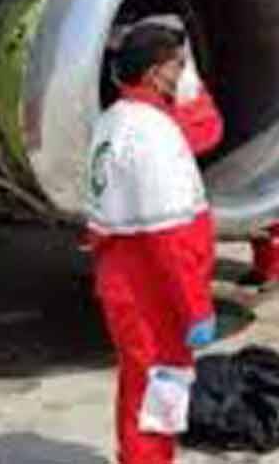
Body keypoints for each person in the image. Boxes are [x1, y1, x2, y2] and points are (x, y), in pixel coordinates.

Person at [83, 24, 218, 464]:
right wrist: (196, 307)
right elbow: (170, 237)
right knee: (159, 397)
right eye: (179, 65)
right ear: (157, 71)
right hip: (154, 292)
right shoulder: (152, 133)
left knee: (139, 384)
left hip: (124, 278)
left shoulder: (114, 120)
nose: (182, 75)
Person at [238, 213, 279, 290]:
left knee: (277, 243)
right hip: (262, 212)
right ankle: (260, 273)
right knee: (259, 241)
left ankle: (276, 276)